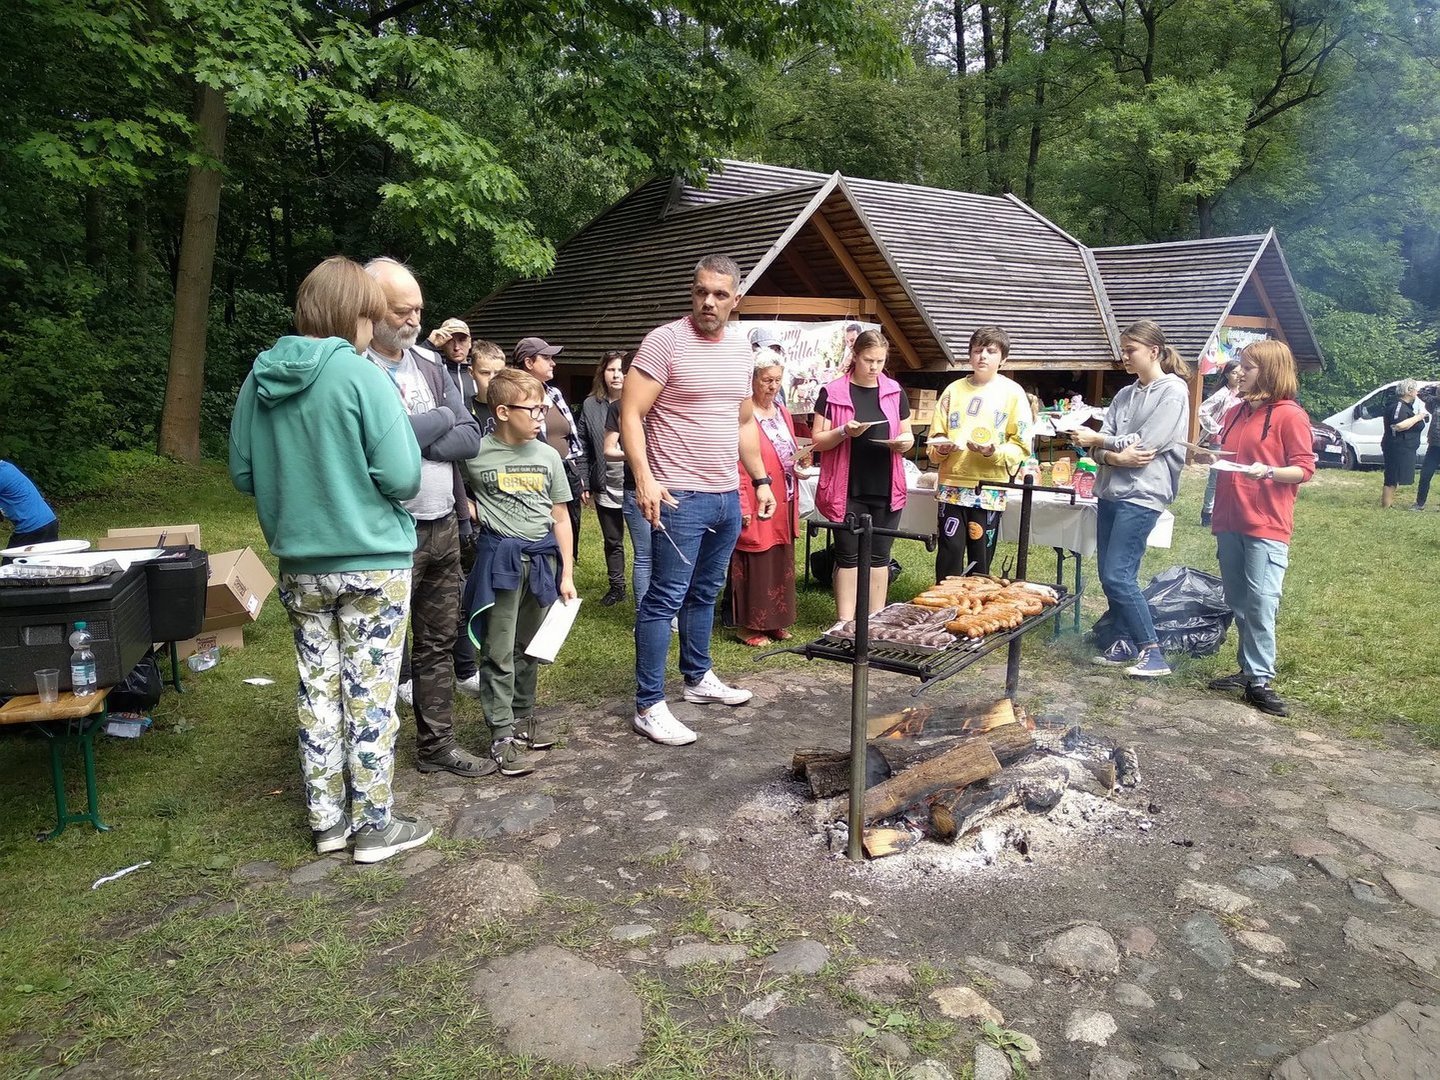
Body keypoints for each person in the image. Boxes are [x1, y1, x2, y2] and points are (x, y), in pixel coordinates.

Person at [229, 256, 432, 864]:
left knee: (317, 689)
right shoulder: (362, 376)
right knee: (370, 692)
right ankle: (373, 826)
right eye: (370, 318)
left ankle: (328, 824)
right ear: (357, 317)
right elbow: (403, 476)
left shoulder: (259, 378)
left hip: (300, 564)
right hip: (372, 560)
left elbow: (242, 472)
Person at [620, 254, 776, 747]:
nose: (708, 301)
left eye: (719, 294)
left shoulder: (741, 349)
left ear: (736, 299)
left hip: (725, 493)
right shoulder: (664, 341)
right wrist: (644, 478)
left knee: (706, 592)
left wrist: (760, 479)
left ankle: (697, 677)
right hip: (677, 494)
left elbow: (743, 421)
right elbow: (630, 413)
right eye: (701, 291)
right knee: (664, 596)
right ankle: (648, 705)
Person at [364, 257, 489, 779]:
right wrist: (437, 423)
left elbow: (470, 435)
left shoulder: (431, 365)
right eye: (402, 310)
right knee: (378, 648)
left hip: (443, 522)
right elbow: (378, 444)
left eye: (418, 308)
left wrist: (418, 435)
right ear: (371, 307)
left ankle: (437, 746)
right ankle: (370, 759)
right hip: (388, 532)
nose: (414, 319)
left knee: (438, 643)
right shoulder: (357, 369)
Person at [461, 369, 577, 775]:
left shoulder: (548, 456)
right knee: (498, 650)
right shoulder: (475, 452)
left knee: (530, 647)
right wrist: (470, 508)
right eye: (534, 409)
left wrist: (567, 572)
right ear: (503, 412)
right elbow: (449, 486)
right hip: (501, 565)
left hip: (542, 562)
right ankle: (501, 733)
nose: (541, 417)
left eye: (543, 408)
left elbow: (560, 516)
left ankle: (524, 717)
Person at [1198, 340, 1316, 717]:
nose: (1239, 373)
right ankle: (1248, 670)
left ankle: (1260, 679)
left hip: (1266, 522)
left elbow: (1304, 469)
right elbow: (1228, 454)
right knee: (1238, 599)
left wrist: (1268, 472)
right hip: (1229, 518)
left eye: (1248, 367)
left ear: (1269, 371)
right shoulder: (1236, 411)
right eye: (1240, 366)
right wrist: (1211, 455)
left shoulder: (1290, 415)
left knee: (1262, 601)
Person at [1075, 320, 1190, 678]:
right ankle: (1123, 642)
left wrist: (1099, 442)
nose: (1123, 356)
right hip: (1110, 491)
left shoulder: (1174, 392)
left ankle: (1153, 653)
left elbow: (1146, 445)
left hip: (1143, 494)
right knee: (1109, 574)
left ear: (1154, 351)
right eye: (1123, 350)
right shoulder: (1125, 394)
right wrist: (1110, 455)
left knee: (1118, 574)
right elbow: (1099, 450)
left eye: (1130, 350)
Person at [811, 330, 914, 629]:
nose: (874, 367)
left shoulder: (894, 390)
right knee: (848, 555)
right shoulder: (832, 392)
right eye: (869, 360)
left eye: (880, 361)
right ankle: (844, 621)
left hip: (886, 485)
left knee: (880, 555)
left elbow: (906, 433)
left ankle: (874, 620)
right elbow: (817, 440)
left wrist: (904, 443)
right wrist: (844, 431)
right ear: (855, 356)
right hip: (847, 486)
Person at [926, 326, 1032, 580]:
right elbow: (933, 440)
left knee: (980, 556)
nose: (983, 356)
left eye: (991, 351)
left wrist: (993, 452)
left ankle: (977, 602)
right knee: (949, 552)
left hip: (989, 487)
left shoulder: (1013, 394)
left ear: (1003, 359)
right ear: (970, 355)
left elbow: (1022, 446)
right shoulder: (953, 391)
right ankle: (945, 599)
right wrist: (941, 449)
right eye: (977, 350)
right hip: (952, 484)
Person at [730, 355, 800, 645]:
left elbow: (789, 449)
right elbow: (737, 460)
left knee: (780, 558)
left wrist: (799, 465)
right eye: (766, 380)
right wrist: (743, 503)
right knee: (755, 558)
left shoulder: (782, 411)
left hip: (783, 497)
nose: (772, 386)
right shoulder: (744, 413)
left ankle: (775, 622)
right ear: (753, 379)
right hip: (755, 495)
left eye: (777, 380)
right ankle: (749, 626)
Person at [514, 337, 586, 562]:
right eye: (546, 358)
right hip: (535, 475)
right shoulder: (515, 397)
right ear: (528, 362)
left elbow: (571, 436)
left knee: (570, 526)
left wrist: (576, 469)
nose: (553, 363)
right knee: (544, 531)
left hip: (566, 470)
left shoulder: (554, 393)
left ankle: (566, 570)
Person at [577, 352, 629, 606]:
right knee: (612, 539)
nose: (616, 375)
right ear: (602, 374)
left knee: (647, 543)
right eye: (611, 370)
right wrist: (584, 480)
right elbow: (582, 446)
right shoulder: (591, 405)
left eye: (621, 370)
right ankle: (617, 586)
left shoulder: (641, 402)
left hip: (635, 483)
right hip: (605, 482)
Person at [1198, 360, 1242, 525]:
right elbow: (1203, 410)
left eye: (1239, 373)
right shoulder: (1223, 394)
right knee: (1215, 478)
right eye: (1234, 373)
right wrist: (1217, 429)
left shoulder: (1245, 394)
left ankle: (1228, 512)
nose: (1237, 376)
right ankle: (1207, 512)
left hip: (1237, 441)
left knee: (1235, 476)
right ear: (1227, 375)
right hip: (1219, 441)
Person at [1381, 379, 1426, 509]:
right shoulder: (1398, 406)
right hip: (1396, 446)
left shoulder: (1406, 406)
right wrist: (1418, 417)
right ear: (1409, 391)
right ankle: (1386, 506)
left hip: (1403, 447)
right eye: (1415, 390)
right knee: (1391, 476)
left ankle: (1388, 504)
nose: (1417, 393)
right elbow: (1398, 426)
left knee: (1395, 477)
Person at [0, 460, 58, 549]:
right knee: (45, 557)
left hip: (32, 527)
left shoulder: (2, 474)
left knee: (11, 558)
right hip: (49, 521)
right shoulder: (6, 467)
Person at [468, 339, 507, 437]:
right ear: (471, 373)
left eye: (498, 373)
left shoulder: (516, 406)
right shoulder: (464, 411)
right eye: (485, 373)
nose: (492, 379)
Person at [1412, 384, 1440, 510]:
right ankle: (1419, 503)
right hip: (1434, 446)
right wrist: (1433, 387)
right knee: (1425, 475)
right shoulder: (1434, 403)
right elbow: (1420, 393)